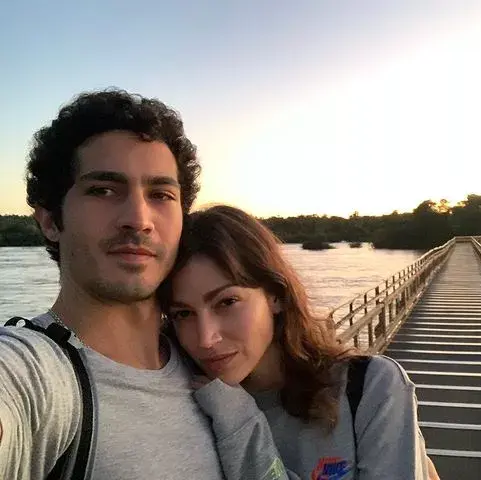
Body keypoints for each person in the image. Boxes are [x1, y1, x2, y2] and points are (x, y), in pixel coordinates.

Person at [0, 89, 290, 480]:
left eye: (160, 194)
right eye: (103, 190)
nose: (138, 219)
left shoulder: (205, 360)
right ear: (50, 220)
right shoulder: (33, 374)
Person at [163, 204, 442, 480]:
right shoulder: (184, 409)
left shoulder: (369, 387)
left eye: (227, 302)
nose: (206, 338)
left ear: (276, 296)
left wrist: (240, 424)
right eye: (183, 313)